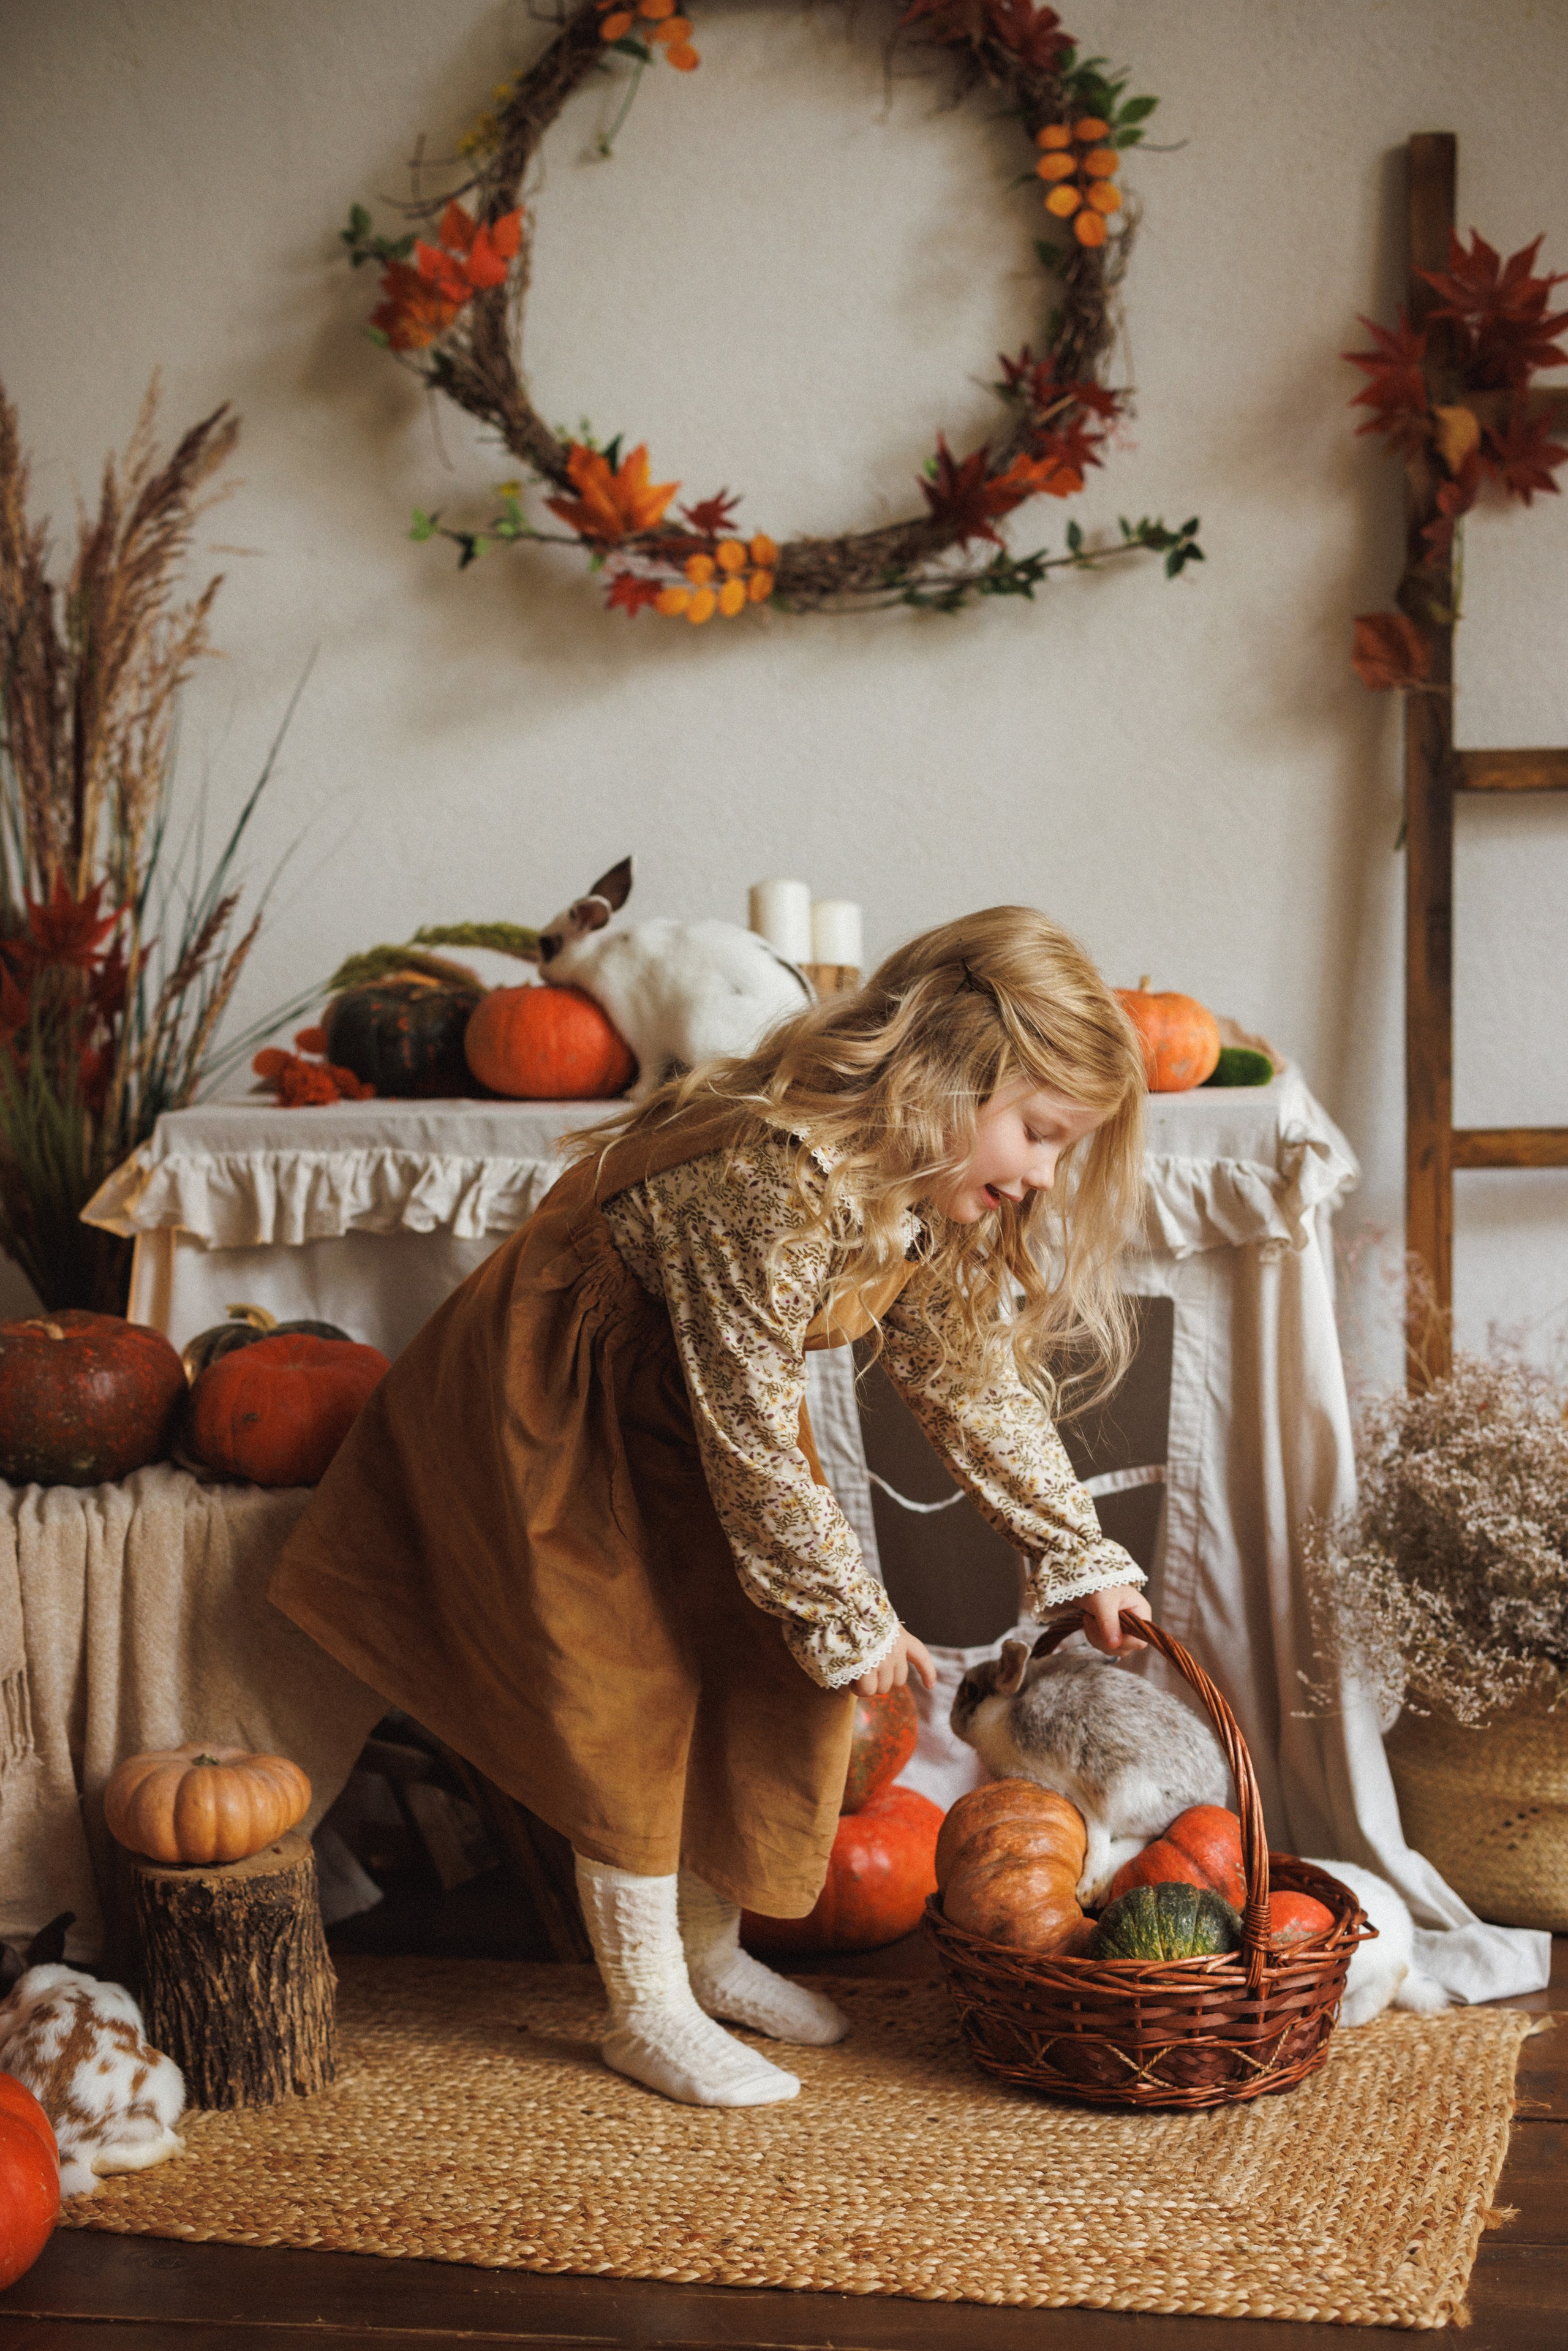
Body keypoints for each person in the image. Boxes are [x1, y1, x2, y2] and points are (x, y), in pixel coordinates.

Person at [270, 905, 1153, 2109]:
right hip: (558, 1401)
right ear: (948, 1074)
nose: (1043, 1174)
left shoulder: (917, 1182)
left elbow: (964, 1376)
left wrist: (1076, 1555)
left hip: (689, 1409)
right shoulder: (772, 1176)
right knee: (625, 1680)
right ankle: (643, 2004)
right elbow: (751, 1439)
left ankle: (705, 1953)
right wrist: (851, 1612)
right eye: (1039, 1133)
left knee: (751, 1657)